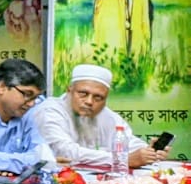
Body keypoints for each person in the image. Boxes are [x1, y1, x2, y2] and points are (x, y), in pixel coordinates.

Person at [33, 63, 167, 169]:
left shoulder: (106, 116)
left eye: (98, 97)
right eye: (83, 94)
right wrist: (122, 160)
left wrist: (148, 152)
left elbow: (128, 142)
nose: (90, 101)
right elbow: (66, 152)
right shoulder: (50, 111)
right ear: (69, 91)